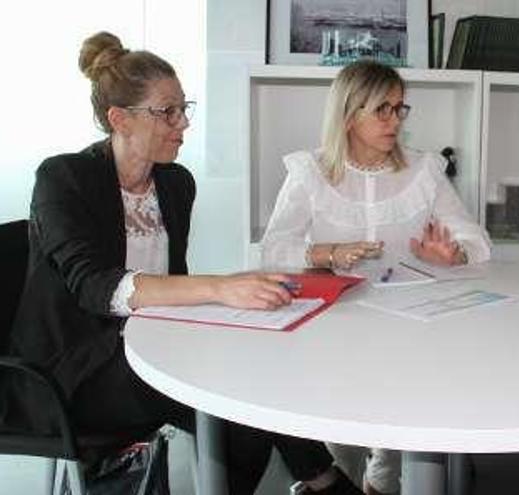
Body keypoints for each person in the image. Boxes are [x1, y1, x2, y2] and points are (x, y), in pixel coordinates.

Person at [0, 32, 361, 495]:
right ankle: (324, 481)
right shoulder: (62, 177)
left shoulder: (174, 184)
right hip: (68, 373)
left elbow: (169, 285)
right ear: (120, 119)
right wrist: (219, 288)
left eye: (183, 108)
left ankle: (320, 480)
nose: (183, 123)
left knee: (254, 379)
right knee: (233, 402)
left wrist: (233, 292)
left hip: (146, 346)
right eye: (166, 112)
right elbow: (95, 287)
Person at [261, 60, 491, 494]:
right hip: (335, 329)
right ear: (349, 115)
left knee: (398, 431)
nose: (395, 120)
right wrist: (328, 253)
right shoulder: (309, 172)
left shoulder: (424, 171)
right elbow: (274, 249)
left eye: (400, 109)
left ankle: (380, 481)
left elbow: (475, 240)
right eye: (381, 110)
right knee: (338, 436)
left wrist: (452, 253)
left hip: (411, 328)